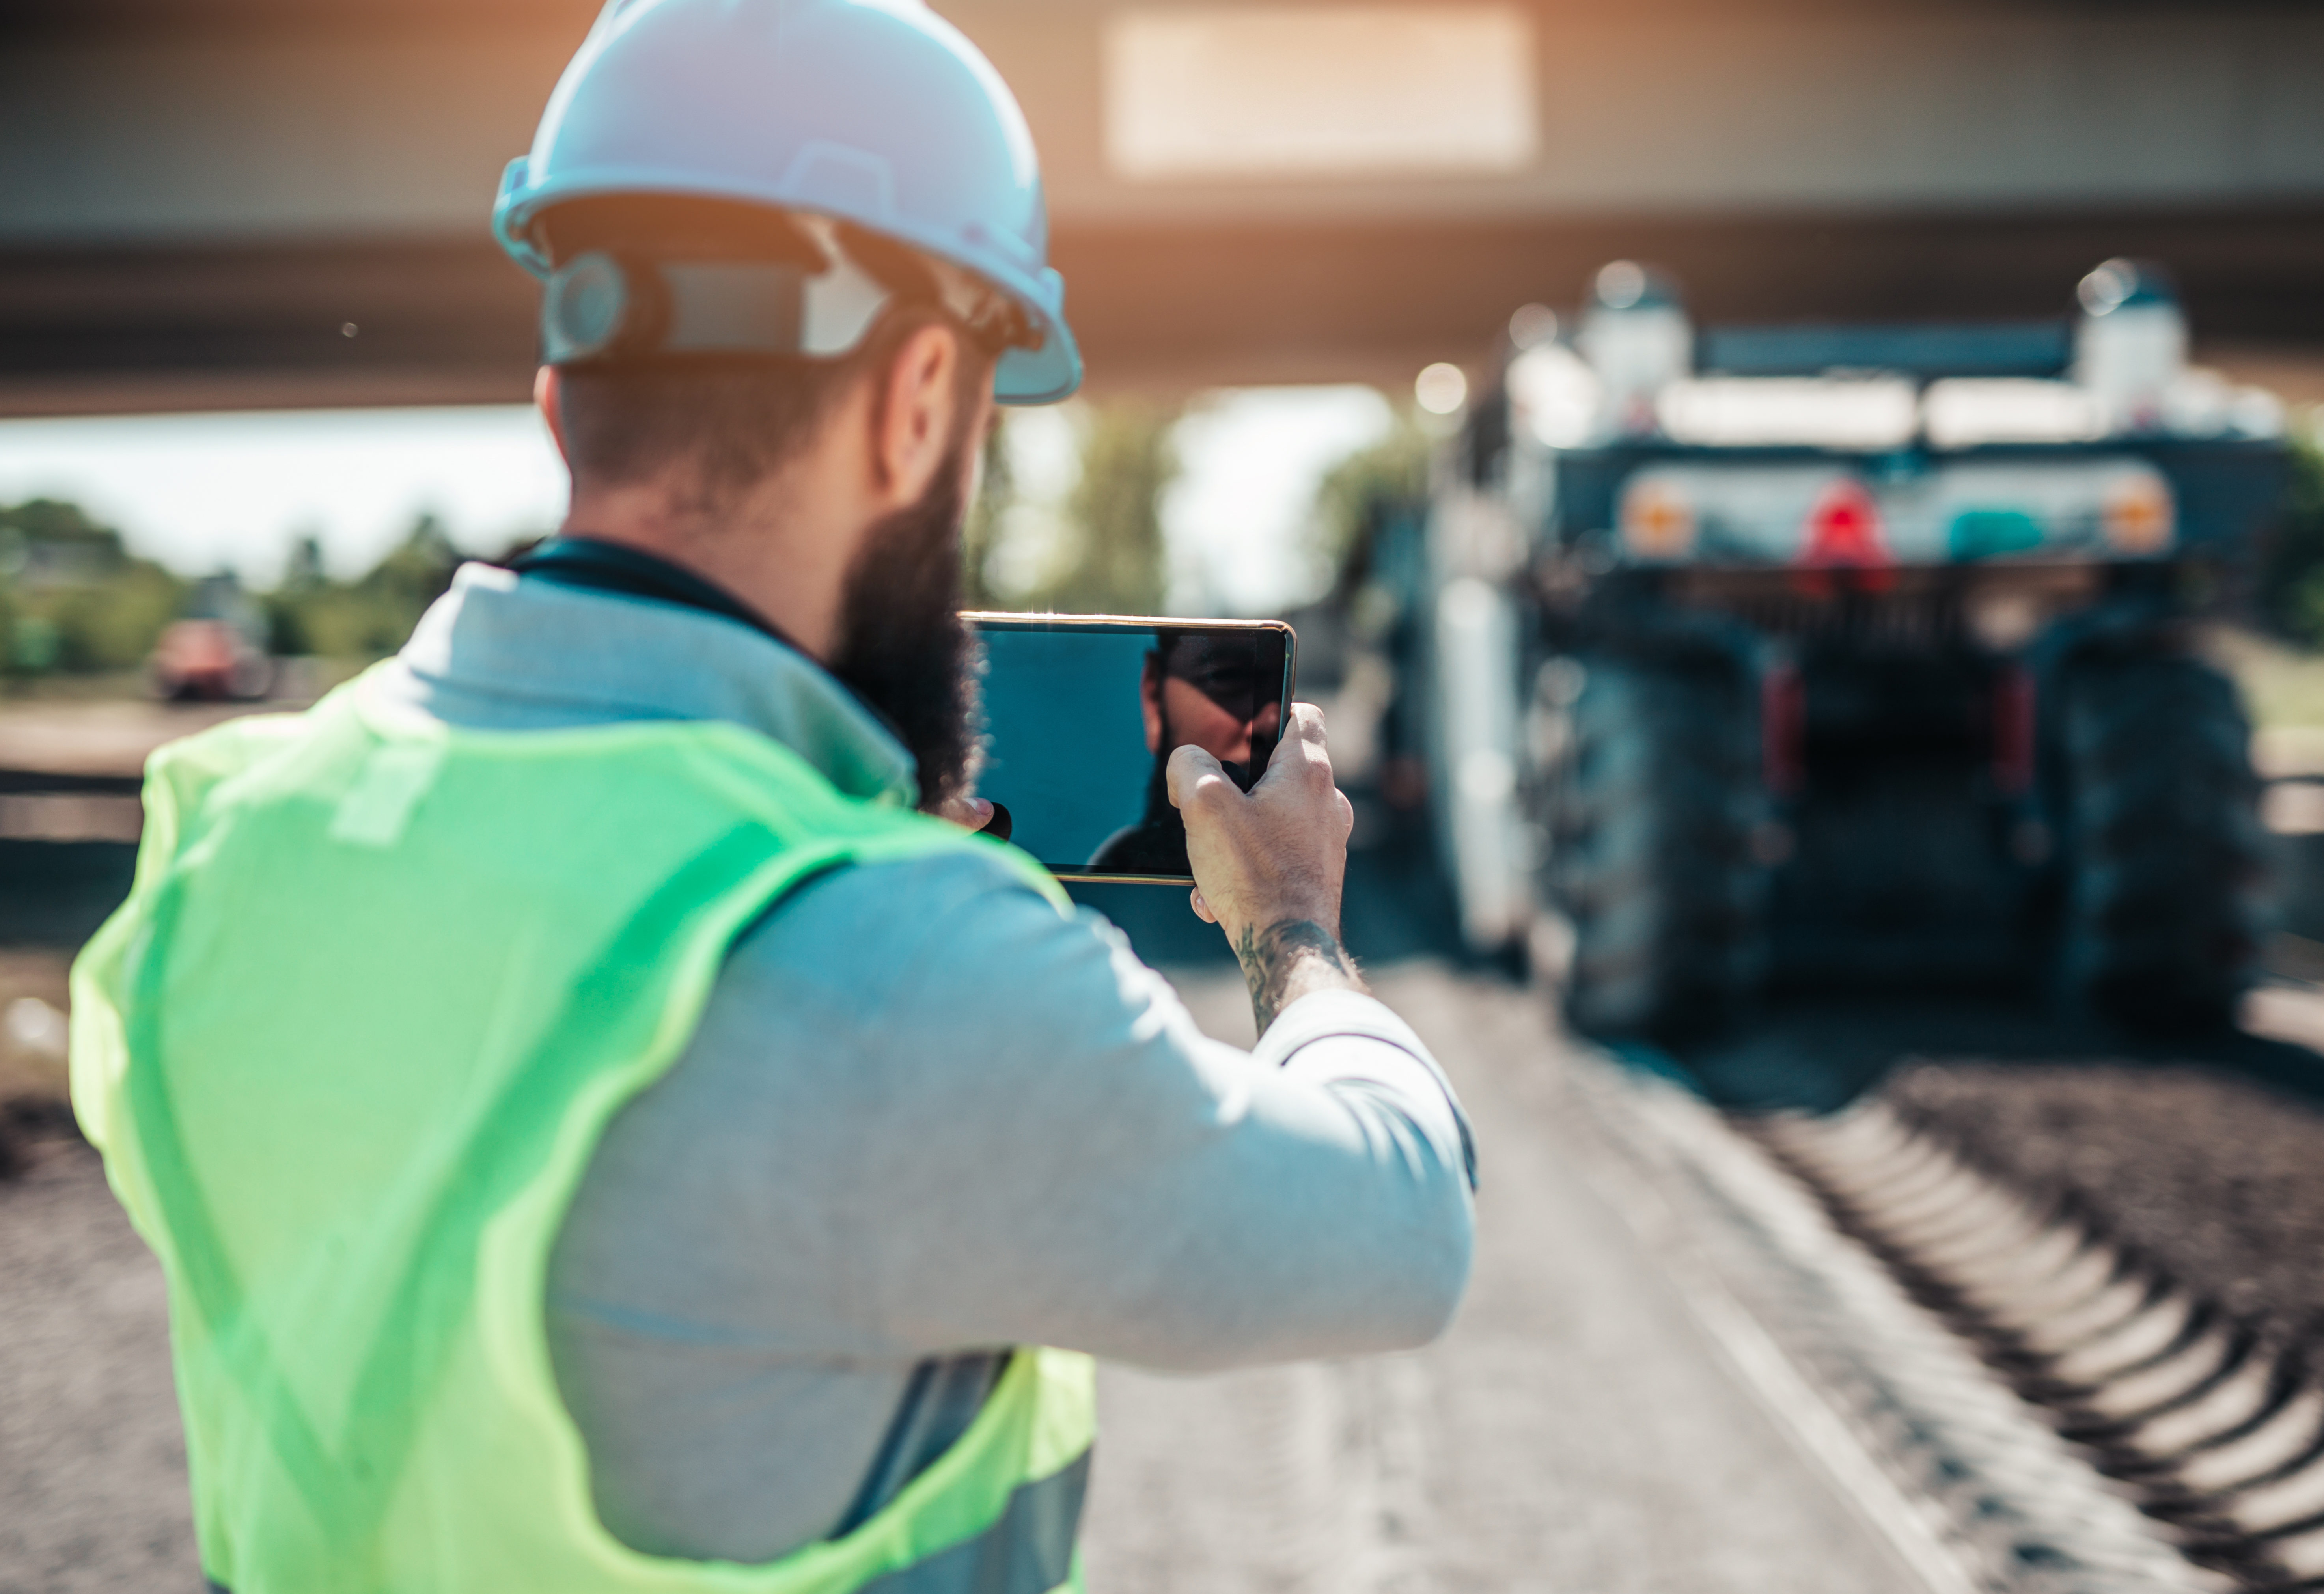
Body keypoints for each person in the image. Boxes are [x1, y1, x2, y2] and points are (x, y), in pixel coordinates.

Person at [66, 4, 1476, 1591]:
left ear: (559, 403)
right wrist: (1289, 923)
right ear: (919, 403)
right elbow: (1404, 1225)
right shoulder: (896, 961)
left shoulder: (233, 841)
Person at [1087, 628, 1282, 874]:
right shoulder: (1090, 902)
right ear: (1154, 697)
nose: (1273, 721)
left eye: (1288, 686)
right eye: (1227, 676)